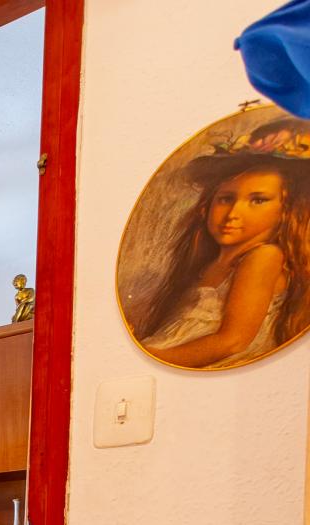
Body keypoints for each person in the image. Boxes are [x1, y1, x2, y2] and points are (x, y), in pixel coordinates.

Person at [129, 117, 310, 369]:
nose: (233, 213)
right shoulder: (207, 264)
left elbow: (232, 342)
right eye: (226, 199)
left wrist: (150, 357)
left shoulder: (264, 256)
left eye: (258, 200)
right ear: (207, 206)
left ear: (285, 211)